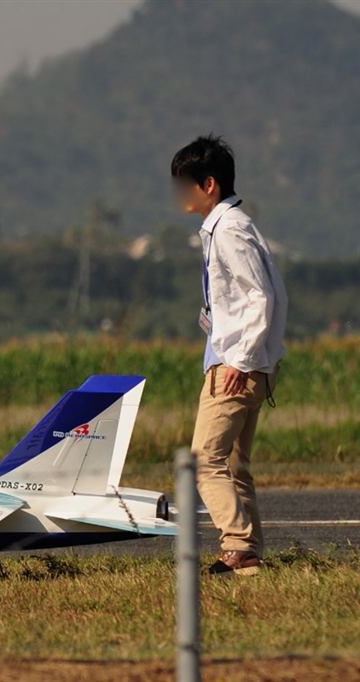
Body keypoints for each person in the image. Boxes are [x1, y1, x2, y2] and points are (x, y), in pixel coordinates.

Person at [171, 135, 288, 577]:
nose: (179, 194)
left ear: (209, 185)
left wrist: (240, 359)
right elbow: (270, 295)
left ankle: (237, 545)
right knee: (235, 465)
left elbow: (262, 297)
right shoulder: (232, 225)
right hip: (250, 363)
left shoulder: (230, 230)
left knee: (204, 461)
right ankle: (249, 558)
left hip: (236, 366)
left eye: (185, 184)